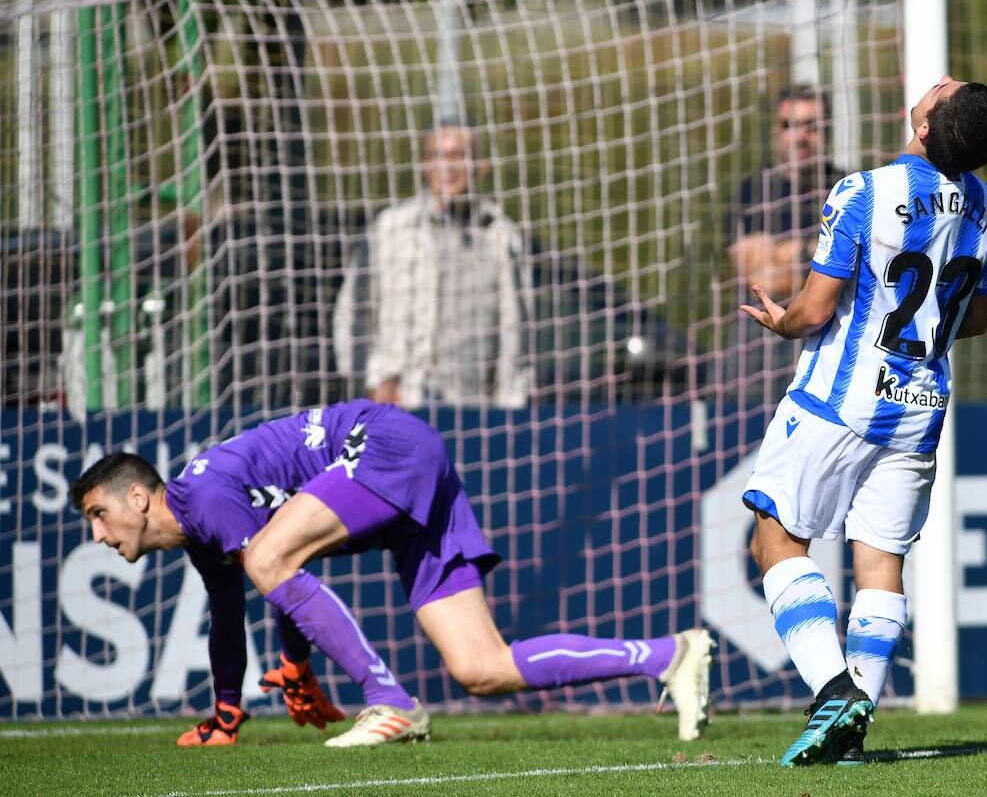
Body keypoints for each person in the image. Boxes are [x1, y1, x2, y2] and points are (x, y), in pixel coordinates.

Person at [68, 400, 714, 747]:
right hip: (401, 488)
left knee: (271, 559)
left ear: (139, 498)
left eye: (99, 515)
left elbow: (275, 564)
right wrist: (228, 713)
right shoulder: (205, 533)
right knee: (479, 669)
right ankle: (668, 656)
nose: (98, 535)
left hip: (384, 443)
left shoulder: (203, 496)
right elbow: (236, 613)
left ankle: (391, 703)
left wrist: (297, 663)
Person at [737, 76, 987, 767]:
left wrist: (782, 320)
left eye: (943, 89)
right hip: (919, 411)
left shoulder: (864, 192)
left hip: (840, 401)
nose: (939, 81)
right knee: (880, 565)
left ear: (924, 125)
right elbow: (975, 319)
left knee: (775, 538)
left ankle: (833, 691)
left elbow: (815, 312)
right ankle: (852, 735)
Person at [336, 118, 533, 408]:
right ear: (424, 165)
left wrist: (508, 407)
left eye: (459, 155)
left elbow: (516, 332)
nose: (448, 166)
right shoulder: (391, 228)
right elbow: (352, 313)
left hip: (470, 412)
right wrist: (373, 379)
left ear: (481, 166)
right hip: (396, 406)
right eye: (438, 155)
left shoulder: (500, 237)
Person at [721, 87, 843, 401]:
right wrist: (823, 250)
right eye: (789, 126)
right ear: (776, 131)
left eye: (811, 126)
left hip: (833, 343)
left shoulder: (850, 187)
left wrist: (785, 253)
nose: (800, 137)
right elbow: (765, 280)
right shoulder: (752, 192)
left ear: (827, 130)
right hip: (760, 351)